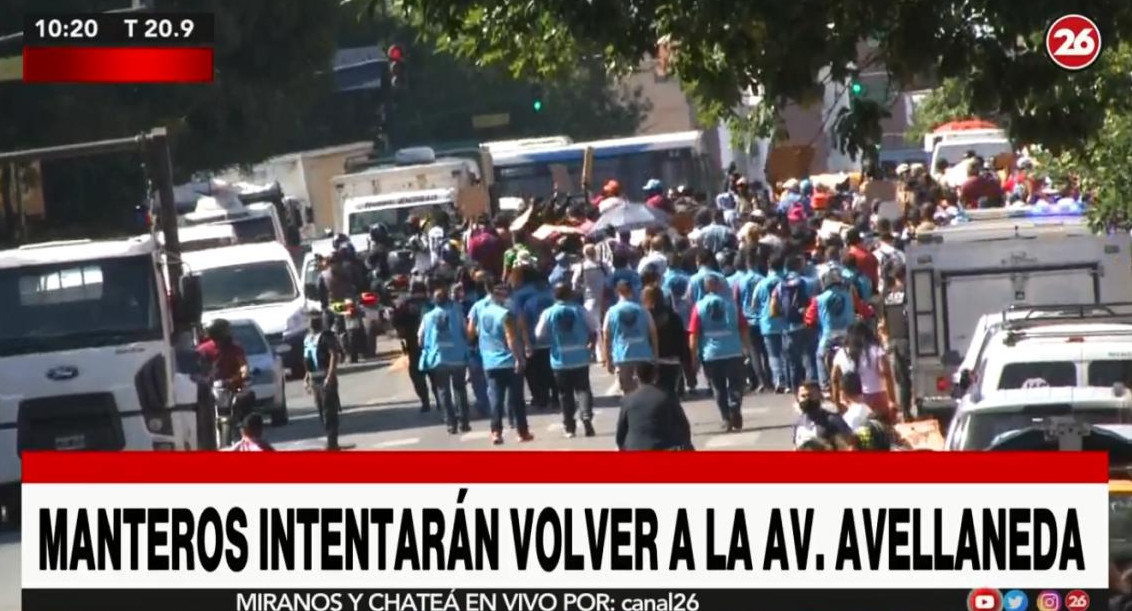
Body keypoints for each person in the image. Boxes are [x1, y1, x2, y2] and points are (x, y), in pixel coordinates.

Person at [469, 284, 533, 444]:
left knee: (496, 399)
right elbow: (510, 338)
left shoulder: (482, 313)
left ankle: (496, 432)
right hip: (508, 361)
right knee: (517, 399)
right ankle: (522, 432)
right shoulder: (505, 315)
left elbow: (472, 332)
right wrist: (519, 358)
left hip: (490, 362)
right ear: (500, 297)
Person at [689, 275, 751, 431]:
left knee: (718, 387)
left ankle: (726, 418)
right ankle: (735, 405)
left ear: (705, 287)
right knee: (736, 384)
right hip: (733, 350)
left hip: (711, 353)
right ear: (720, 286)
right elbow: (743, 327)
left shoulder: (699, 307)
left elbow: (694, 334)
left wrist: (693, 355)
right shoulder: (732, 306)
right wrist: (746, 347)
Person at [536, 282, 596, 438]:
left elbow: (539, 334)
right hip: (580, 357)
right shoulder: (580, 310)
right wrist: (591, 343)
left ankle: (569, 425)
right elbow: (593, 327)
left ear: (554, 295)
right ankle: (586, 415)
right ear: (570, 294)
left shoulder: (548, 313)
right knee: (583, 389)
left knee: (564, 393)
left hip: (560, 360)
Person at [419, 285, 472, 434]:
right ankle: (464, 422)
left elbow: (420, 339)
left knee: (443, 391)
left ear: (434, 301)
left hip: (438, 359)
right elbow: (465, 332)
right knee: (460, 389)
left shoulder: (427, 317)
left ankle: (450, 423)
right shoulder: (457, 313)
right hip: (457, 357)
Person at [615, 362, 693, 451]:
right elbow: (683, 425)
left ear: (636, 377)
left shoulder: (627, 399)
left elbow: (620, 434)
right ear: (656, 376)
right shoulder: (667, 396)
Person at [831, 321, 898, 423]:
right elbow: (886, 374)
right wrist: (891, 400)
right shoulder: (875, 350)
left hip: (852, 398)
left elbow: (834, 378)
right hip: (877, 396)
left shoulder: (841, 353)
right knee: (882, 428)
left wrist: (837, 402)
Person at [603, 280, 659, 395]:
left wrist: (607, 359)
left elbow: (606, 335)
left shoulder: (611, 311)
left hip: (622, 356)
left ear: (617, 292)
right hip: (643, 354)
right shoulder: (643, 310)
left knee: (627, 390)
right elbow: (653, 332)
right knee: (645, 388)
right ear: (632, 291)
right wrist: (655, 354)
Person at [805, 267, 856, 392]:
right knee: (855, 355)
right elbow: (862, 308)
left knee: (820, 356)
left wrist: (812, 323)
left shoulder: (818, 299)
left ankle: (825, 385)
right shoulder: (849, 296)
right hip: (848, 334)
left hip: (828, 336)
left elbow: (809, 318)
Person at [197, 318, 253, 430]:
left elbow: (242, 364)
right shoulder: (203, 350)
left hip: (233, 385)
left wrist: (244, 373)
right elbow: (196, 368)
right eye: (226, 330)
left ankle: (244, 425)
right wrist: (202, 379)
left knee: (247, 397)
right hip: (211, 387)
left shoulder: (235, 348)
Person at [770, 254, 814, 390]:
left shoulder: (780, 284)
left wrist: (780, 315)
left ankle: (795, 389)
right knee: (809, 357)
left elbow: (773, 307)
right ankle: (812, 387)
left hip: (789, 326)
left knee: (793, 361)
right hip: (805, 323)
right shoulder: (805, 282)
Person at [391, 280, 434, 413]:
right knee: (436, 374)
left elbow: (395, 320)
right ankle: (441, 399)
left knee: (416, 375)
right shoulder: (432, 303)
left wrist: (401, 331)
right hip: (433, 345)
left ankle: (425, 401)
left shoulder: (405, 305)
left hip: (414, 345)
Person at [642, 285, 692, 396]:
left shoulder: (643, 317)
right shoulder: (674, 316)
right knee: (671, 394)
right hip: (672, 360)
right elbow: (682, 341)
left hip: (649, 361)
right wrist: (687, 365)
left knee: (652, 395)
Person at [878, 261, 912, 419]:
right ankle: (908, 410)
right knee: (909, 378)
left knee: (901, 378)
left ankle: (905, 412)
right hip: (908, 339)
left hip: (894, 341)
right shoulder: (909, 293)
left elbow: (883, 323)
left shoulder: (887, 295)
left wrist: (885, 342)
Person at [303, 313, 342, 450]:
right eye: (310, 320)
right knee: (321, 411)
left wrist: (331, 374)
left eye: (315, 320)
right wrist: (306, 377)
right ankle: (330, 439)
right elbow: (307, 358)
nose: (312, 323)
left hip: (326, 377)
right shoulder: (308, 338)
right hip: (314, 378)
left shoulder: (326, 336)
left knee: (329, 411)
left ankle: (333, 443)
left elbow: (334, 354)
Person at [752, 253, 788, 392]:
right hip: (785, 321)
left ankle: (779, 380)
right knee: (785, 353)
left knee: (773, 354)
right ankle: (788, 380)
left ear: (769, 265)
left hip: (767, 322)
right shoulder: (786, 282)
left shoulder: (762, 284)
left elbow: (754, 304)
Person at [521, 279, 559, 411]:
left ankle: (542, 398)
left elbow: (524, 323)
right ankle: (555, 397)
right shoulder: (553, 300)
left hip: (536, 341)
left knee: (539, 372)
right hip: (554, 341)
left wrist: (527, 343)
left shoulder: (529, 302)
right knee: (552, 371)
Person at [572, 244, 611, 361]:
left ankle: (601, 355)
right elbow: (610, 277)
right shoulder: (602, 265)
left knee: (595, 327)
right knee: (607, 325)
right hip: (605, 298)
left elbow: (574, 283)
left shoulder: (582, 267)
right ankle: (609, 352)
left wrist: (582, 288)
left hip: (590, 299)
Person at [792, 381, 854, 450]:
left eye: (810, 395)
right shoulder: (799, 423)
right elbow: (796, 447)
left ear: (819, 396)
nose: (807, 399)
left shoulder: (832, 420)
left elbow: (850, 445)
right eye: (803, 396)